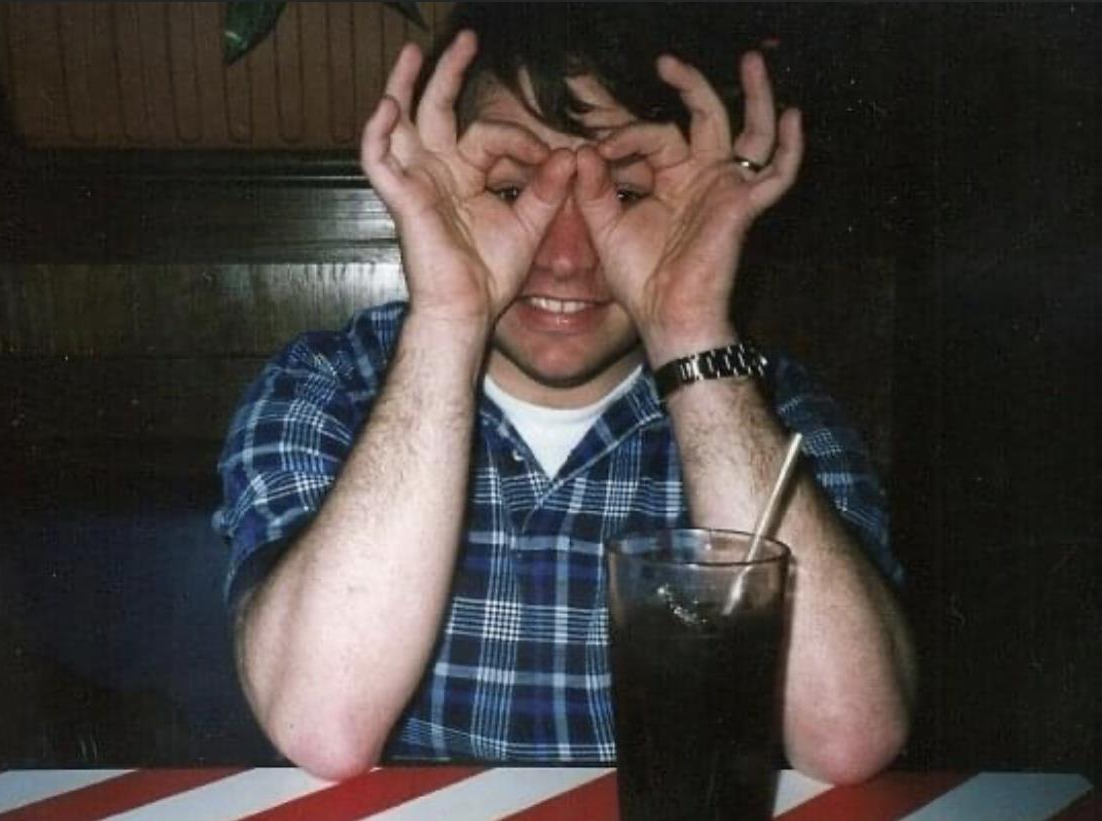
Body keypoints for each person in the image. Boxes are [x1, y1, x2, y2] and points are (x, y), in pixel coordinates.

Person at [214, 3, 915, 784]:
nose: (566, 258)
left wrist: (687, 326)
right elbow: (323, 725)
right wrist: (451, 314)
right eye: (514, 193)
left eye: (625, 194)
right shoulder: (326, 387)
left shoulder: (770, 408)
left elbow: (850, 737)